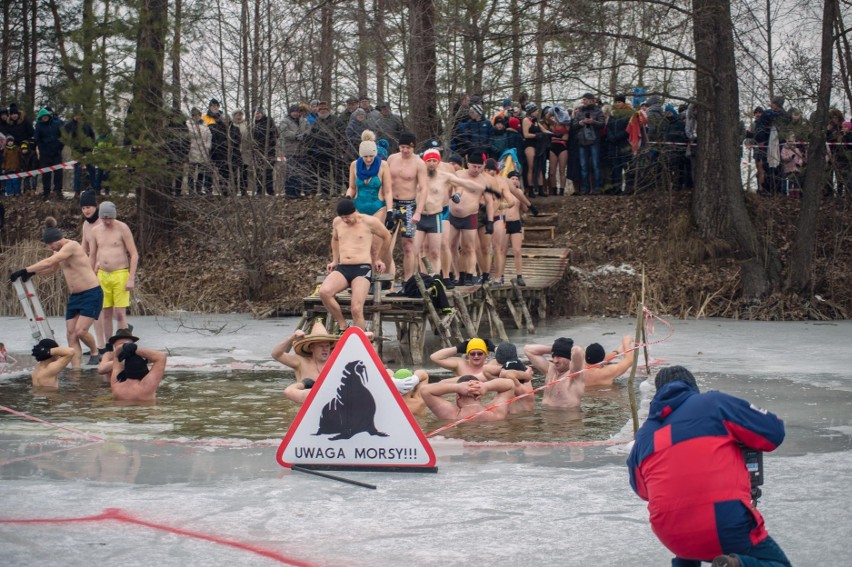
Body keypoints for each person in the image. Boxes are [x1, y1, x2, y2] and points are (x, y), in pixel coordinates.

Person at [627, 366, 790, 567]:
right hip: (726, 521)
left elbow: (643, 491)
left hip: (671, 532)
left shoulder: (644, 435)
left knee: (688, 550)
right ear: (692, 388)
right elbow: (773, 433)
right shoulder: (713, 404)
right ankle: (735, 565)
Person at [11, 217, 102, 369]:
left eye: (51, 244)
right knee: (71, 334)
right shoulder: (59, 250)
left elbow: (50, 261)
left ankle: (95, 352)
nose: (50, 248)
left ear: (58, 239)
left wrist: (25, 270)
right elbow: (51, 268)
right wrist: (33, 274)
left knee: (80, 331)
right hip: (75, 296)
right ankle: (76, 370)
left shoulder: (71, 246)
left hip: (91, 293)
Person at [320, 199, 391, 331]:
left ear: (355, 212)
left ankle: (360, 340)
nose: (345, 220)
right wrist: (335, 260)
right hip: (343, 267)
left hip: (362, 269)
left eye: (347, 217)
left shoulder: (369, 222)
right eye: (342, 218)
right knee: (324, 292)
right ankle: (343, 326)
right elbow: (335, 239)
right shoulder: (337, 222)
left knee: (356, 308)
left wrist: (379, 259)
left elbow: (387, 236)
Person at [89, 201, 139, 350]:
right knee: (105, 312)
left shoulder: (122, 228)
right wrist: (91, 276)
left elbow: (134, 254)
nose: (107, 221)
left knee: (120, 313)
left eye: (109, 218)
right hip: (103, 275)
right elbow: (92, 255)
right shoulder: (96, 230)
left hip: (120, 273)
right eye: (104, 218)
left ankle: (123, 346)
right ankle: (109, 346)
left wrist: (131, 278)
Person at [386, 131, 429, 282]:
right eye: (402, 147)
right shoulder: (391, 159)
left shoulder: (419, 163)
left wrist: (418, 212)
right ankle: (384, 279)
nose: (405, 151)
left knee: (408, 245)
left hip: (408, 205)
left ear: (413, 148)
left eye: (408, 148)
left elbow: (424, 189)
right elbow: (385, 182)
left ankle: (408, 280)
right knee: (385, 241)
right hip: (391, 204)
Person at [273, 320, 340, 404]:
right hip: (305, 408)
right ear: (311, 348)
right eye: (321, 346)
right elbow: (276, 354)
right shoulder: (300, 361)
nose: (325, 349)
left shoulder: (336, 362)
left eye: (327, 346)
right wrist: (291, 339)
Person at [421, 375, 515, 422]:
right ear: (480, 395)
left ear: (458, 395)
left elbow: (425, 390)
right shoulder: (496, 414)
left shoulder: (452, 416)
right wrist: (486, 386)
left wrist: (457, 387)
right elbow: (510, 384)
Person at [107, 329, 168, 402]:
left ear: (125, 370)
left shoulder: (116, 386)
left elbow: (116, 356)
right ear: (145, 372)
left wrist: (124, 346)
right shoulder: (147, 387)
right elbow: (161, 356)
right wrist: (135, 349)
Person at [345, 130, 393, 223]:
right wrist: (347, 198)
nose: (368, 159)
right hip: (358, 207)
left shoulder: (383, 165)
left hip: (378, 207)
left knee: (376, 237)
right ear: (361, 155)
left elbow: (387, 191)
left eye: (371, 156)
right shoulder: (354, 165)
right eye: (365, 156)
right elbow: (352, 187)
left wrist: (390, 211)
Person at [524, 338, 585, 409]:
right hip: (547, 417)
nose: (555, 361)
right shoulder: (550, 370)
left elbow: (577, 351)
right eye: (553, 356)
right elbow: (528, 350)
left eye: (559, 356)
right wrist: (554, 349)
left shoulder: (575, 375)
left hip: (567, 418)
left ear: (568, 357)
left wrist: (563, 349)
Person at [430, 337, 494, 378]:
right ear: (468, 355)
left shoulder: (491, 365)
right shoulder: (460, 364)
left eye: (480, 353)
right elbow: (434, 357)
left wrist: (494, 348)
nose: (476, 356)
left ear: (485, 354)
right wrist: (457, 348)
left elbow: (504, 362)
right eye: (472, 353)